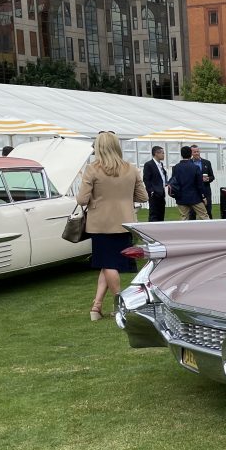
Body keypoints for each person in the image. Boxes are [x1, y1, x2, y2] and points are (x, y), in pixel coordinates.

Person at [76, 132, 148, 321]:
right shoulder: (131, 169)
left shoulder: (92, 169)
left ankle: (120, 303)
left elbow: (81, 199)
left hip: (100, 224)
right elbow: (143, 197)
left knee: (108, 264)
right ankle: (96, 306)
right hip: (124, 223)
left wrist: (97, 198)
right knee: (108, 265)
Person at [169, 145, 209, 220]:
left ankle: (184, 232)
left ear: (181, 155)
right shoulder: (195, 167)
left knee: (184, 218)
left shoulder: (176, 167)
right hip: (195, 197)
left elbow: (174, 182)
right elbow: (199, 184)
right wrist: (203, 196)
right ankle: (208, 231)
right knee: (204, 216)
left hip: (181, 197)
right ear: (191, 154)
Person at [142, 145, 168, 222]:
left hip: (161, 192)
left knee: (161, 212)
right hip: (154, 193)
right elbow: (146, 179)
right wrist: (151, 191)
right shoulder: (149, 164)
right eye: (162, 153)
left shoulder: (161, 164)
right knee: (154, 214)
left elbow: (162, 176)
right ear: (156, 153)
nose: (164, 155)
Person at [190, 144, 215, 218]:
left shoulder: (207, 162)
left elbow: (212, 176)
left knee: (208, 211)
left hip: (206, 190)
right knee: (192, 213)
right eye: (194, 152)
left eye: (198, 151)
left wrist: (208, 179)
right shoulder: (189, 163)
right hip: (194, 191)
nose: (197, 153)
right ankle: (192, 229)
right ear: (191, 153)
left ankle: (210, 228)